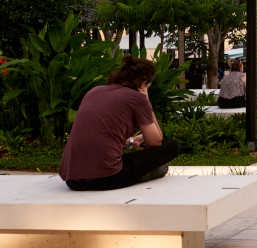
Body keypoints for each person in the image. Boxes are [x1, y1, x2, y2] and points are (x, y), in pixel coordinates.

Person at [60, 56, 179, 192]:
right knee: (171, 146)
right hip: (105, 178)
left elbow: (102, 134)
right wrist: (146, 100)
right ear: (144, 83)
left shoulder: (94, 91)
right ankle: (150, 173)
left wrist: (132, 140)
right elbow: (156, 141)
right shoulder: (137, 98)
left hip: (72, 180)